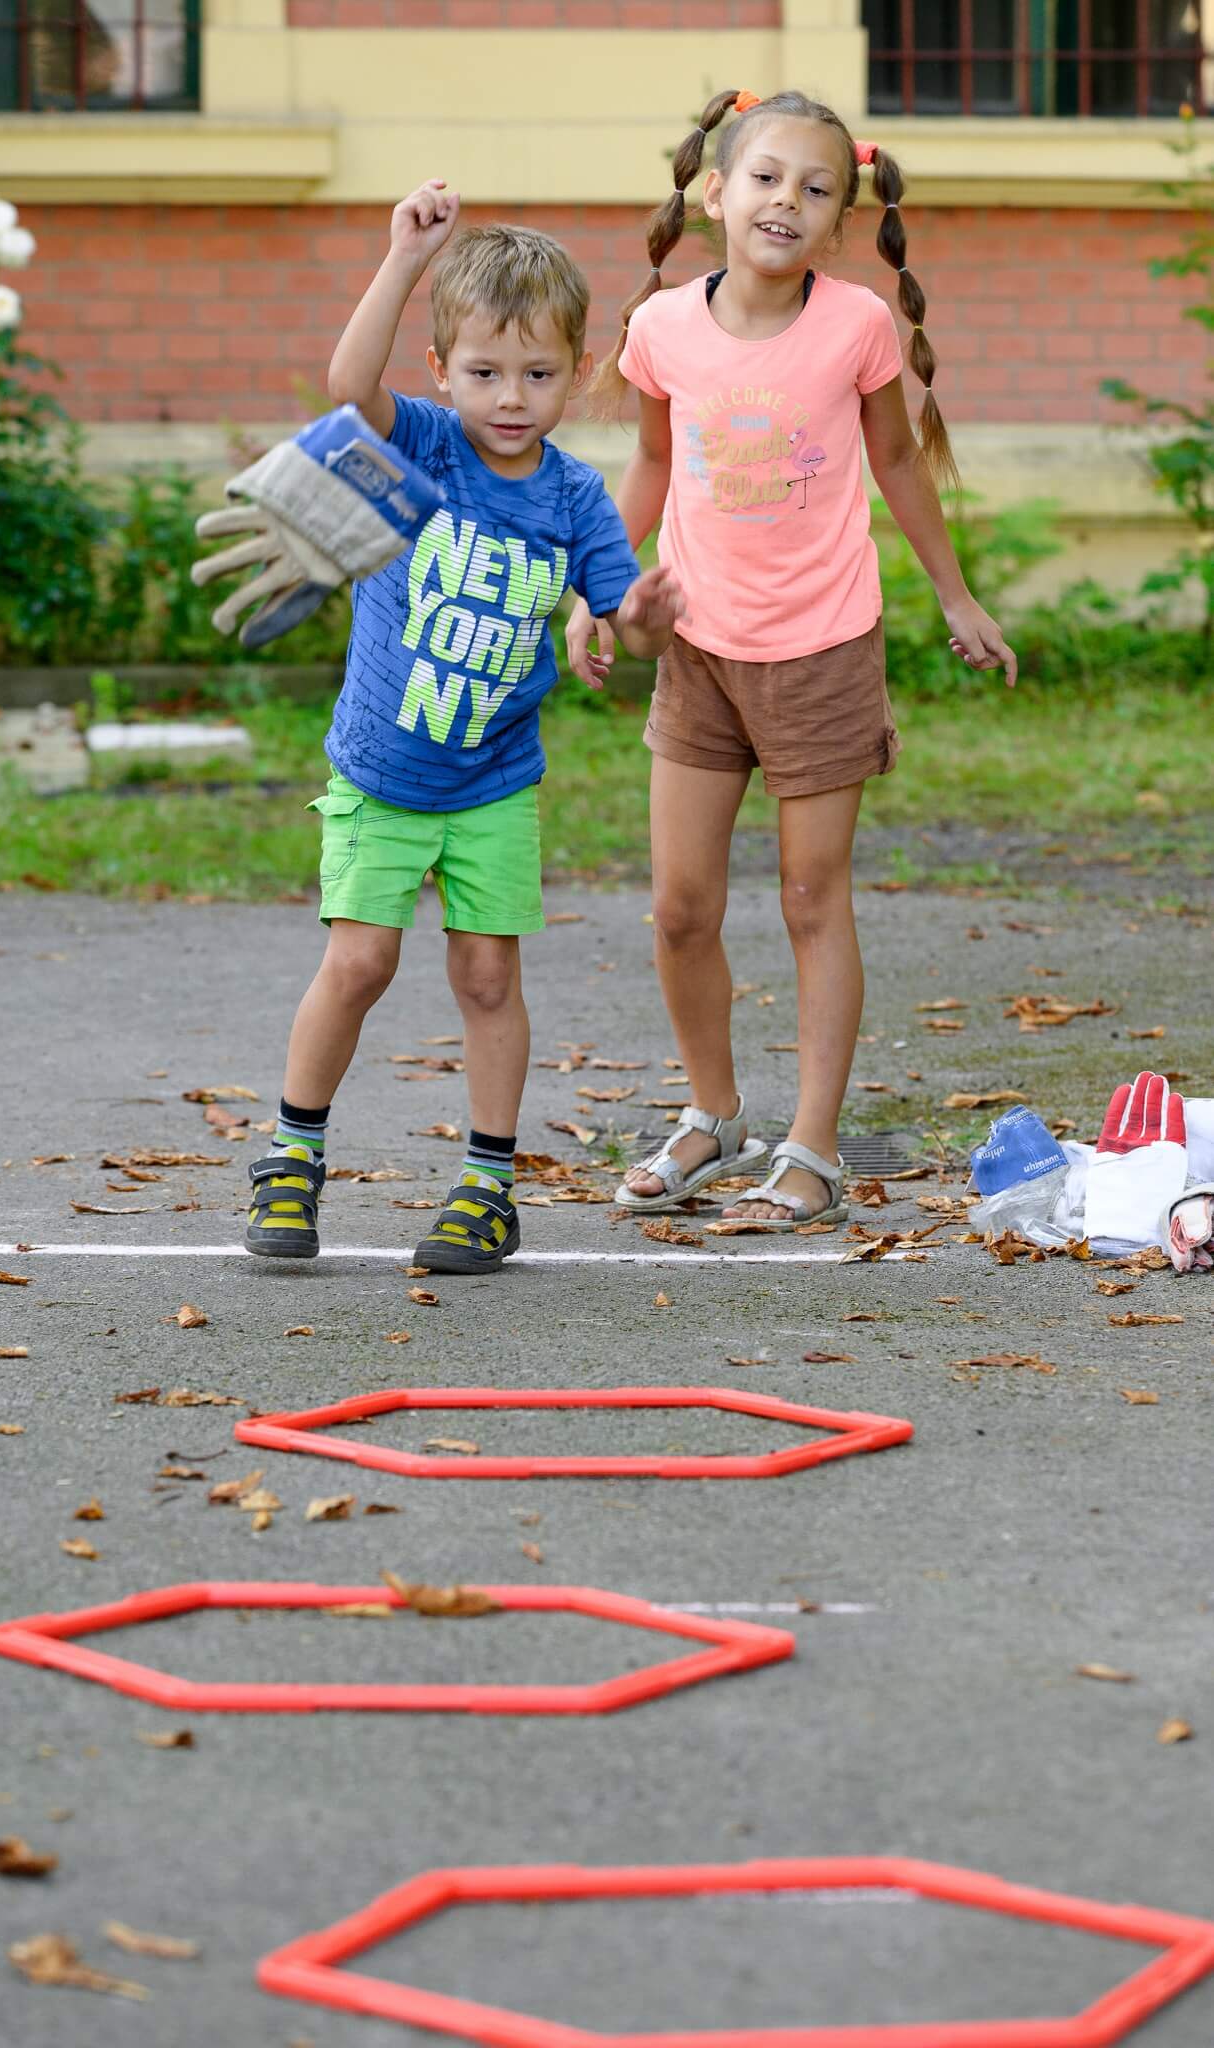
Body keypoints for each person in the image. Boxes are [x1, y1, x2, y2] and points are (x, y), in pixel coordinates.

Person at [567, 89, 1017, 1229]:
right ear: (716, 190)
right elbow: (656, 469)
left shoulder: (856, 323)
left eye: (817, 190)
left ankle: (810, 1147)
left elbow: (901, 465)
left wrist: (954, 595)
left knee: (814, 899)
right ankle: (714, 1116)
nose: (787, 201)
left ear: (837, 222)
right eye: (766, 177)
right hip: (698, 649)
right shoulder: (662, 325)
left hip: (821, 648)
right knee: (678, 906)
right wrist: (599, 584)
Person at [246, 180, 684, 1274]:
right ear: (443, 371)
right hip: (381, 772)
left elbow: (621, 620)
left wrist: (634, 614)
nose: (510, 397)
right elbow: (348, 388)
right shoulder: (428, 446)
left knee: (489, 978)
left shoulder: (577, 497)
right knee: (358, 963)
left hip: (494, 781)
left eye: (538, 374)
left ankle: (487, 1186)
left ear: (577, 375)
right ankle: (293, 1157)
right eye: (485, 372)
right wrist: (402, 260)